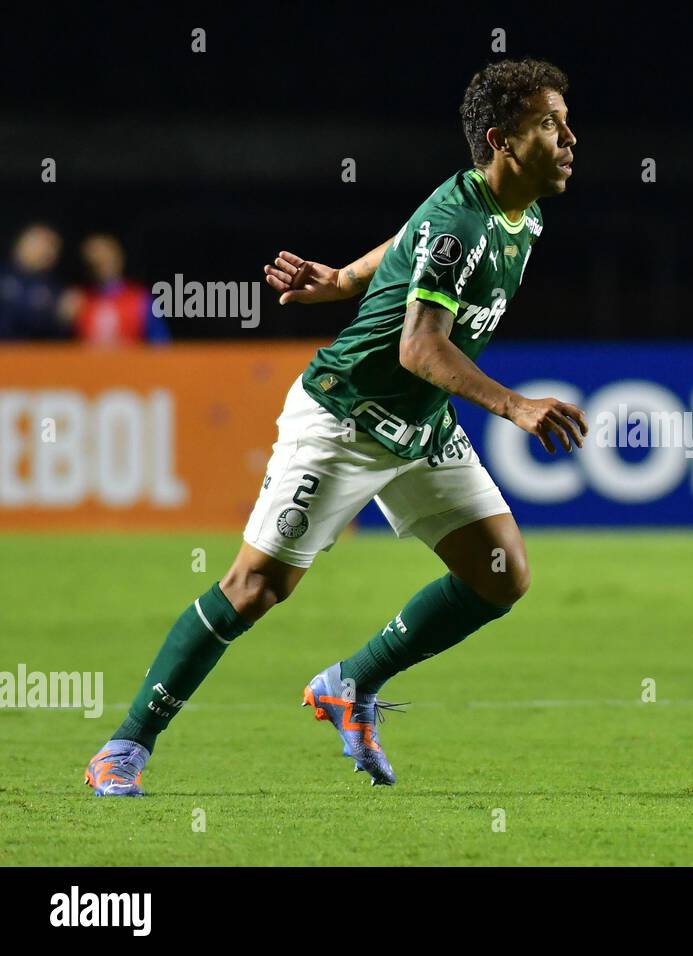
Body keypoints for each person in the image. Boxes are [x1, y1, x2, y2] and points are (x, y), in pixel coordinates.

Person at [85, 58, 587, 795]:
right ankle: (124, 746)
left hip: (418, 427)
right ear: (501, 141)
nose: (569, 136)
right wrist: (515, 405)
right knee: (254, 588)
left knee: (500, 573)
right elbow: (419, 346)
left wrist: (346, 279)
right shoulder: (462, 221)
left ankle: (349, 684)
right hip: (346, 416)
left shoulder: (517, 214)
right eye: (549, 123)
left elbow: (406, 242)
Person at [68, 233, 168, 346]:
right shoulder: (77, 299)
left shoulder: (141, 299)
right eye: (94, 263)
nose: (100, 266)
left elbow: (160, 344)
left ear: (118, 259)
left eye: (105, 260)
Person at [0, 223, 66, 340]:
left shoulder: (55, 291)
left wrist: (62, 320)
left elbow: (54, 337)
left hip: (29, 355)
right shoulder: (3, 274)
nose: (47, 251)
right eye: (40, 243)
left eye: (53, 246)